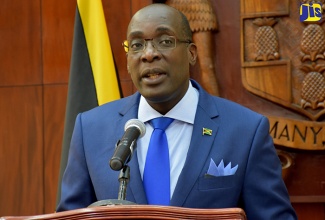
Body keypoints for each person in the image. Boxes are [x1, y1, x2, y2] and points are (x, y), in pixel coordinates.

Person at [57, 3, 297, 219]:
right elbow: (71, 216)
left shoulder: (245, 130)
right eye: (137, 45)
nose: (149, 54)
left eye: (165, 41)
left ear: (192, 53)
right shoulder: (90, 129)